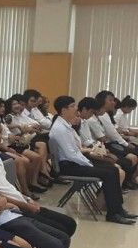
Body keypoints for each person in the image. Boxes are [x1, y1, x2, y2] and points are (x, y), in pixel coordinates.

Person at [50, 95, 135, 224]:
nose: (76, 108)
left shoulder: (66, 125)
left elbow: (76, 150)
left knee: (112, 170)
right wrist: (89, 163)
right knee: (110, 172)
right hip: (69, 165)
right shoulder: (60, 128)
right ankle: (113, 213)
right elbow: (71, 155)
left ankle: (118, 210)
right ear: (63, 110)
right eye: (72, 106)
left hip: (75, 162)